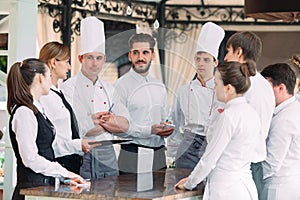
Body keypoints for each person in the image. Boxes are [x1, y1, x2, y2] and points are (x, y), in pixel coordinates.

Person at [175, 61, 260, 200]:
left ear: (228, 88)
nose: (214, 88)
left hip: (226, 189)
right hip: (246, 188)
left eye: (216, 84)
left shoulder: (229, 115)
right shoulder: (252, 113)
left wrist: (190, 183)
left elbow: (209, 159)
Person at [61, 16, 129, 179]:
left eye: (99, 58)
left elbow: (125, 125)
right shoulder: (69, 87)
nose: (94, 63)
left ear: (104, 60)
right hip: (84, 153)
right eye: (89, 57)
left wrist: (96, 120)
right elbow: (79, 128)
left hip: (109, 154)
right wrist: (111, 122)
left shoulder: (109, 88)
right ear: (80, 59)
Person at [6, 59, 84, 200]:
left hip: (41, 189)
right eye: (49, 76)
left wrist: (64, 178)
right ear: (41, 77)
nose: (50, 81)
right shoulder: (24, 112)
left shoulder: (36, 109)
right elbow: (30, 159)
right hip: (30, 191)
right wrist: (65, 173)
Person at [224, 31, 275, 198]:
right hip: (257, 163)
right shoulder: (265, 85)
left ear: (239, 52)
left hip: (241, 166)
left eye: (228, 51)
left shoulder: (243, 85)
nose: (225, 58)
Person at [114, 33, 174, 174]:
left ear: (152, 55)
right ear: (130, 56)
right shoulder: (120, 86)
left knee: (158, 196)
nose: (140, 58)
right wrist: (150, 130)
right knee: (129, 196)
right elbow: (119, 127)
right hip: (132, 155)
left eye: (145, 52)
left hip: (158, 155)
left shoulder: (159, 86)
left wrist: (166, 127)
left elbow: (164, 117)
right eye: (136, 53)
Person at [168, 22, 225, 169]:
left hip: (212, 146)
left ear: (215, 62)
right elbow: (174, 123)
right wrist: (173, 154)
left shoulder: (223, 91)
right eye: (198, 59)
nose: (201, 64)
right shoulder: (184, 90)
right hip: (187, 147)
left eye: (206, 60)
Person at [39, 41, 99, 174]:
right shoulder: (45, 96)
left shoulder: (57, 93)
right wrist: (78, 144)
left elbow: (66, 127)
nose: (70, 67)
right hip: (59, 163)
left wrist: (93, 120)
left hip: (70, 160)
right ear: (54, 62)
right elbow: (48, 141)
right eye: (66, 62)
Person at [260, 63, 300, 200]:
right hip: (291, 183)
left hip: (278, 189)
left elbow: (271, 163)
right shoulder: (295, 109)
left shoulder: (285, 119)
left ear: (281, 88)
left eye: (266, 88)